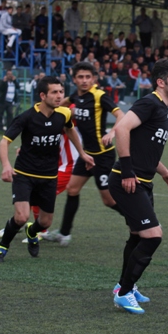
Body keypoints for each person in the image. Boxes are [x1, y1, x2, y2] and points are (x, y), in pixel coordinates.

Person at [0, 76, 94, 262]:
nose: (59, 96)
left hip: (49, 176)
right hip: (24, 174)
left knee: (45, 222)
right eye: (54, 92)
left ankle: (32, 232)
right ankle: (2, 247)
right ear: (42, 95)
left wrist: (83, 153)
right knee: (21, 217)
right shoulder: (27, 117)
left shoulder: (64, 114)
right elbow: (3, 142)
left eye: (61, 92)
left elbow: (70, 130)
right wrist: (6, 166)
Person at [109, 59, 168, 314]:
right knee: (153, 236)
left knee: (137, 235)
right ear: (161, 82)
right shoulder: (149, 102)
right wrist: (128, 171)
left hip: (144, 181)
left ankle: (124, 286)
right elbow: (121, 129)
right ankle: (125, 292)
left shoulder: (162, 109)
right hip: (127, 180)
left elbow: (145, 149)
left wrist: (164, 172)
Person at [43, 62, 125, 246]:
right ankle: (64, 233)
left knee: (109, 200)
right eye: (80, 77)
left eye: (88, 77)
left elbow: (121, 115)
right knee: (72, 190)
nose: (84, 80)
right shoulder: (75, 96)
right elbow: (60, 107)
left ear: (94, 79)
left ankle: (142, 221)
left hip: (103, 155)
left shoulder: (100, 96)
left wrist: (111, 133)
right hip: (87, 155)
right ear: (75, 79)